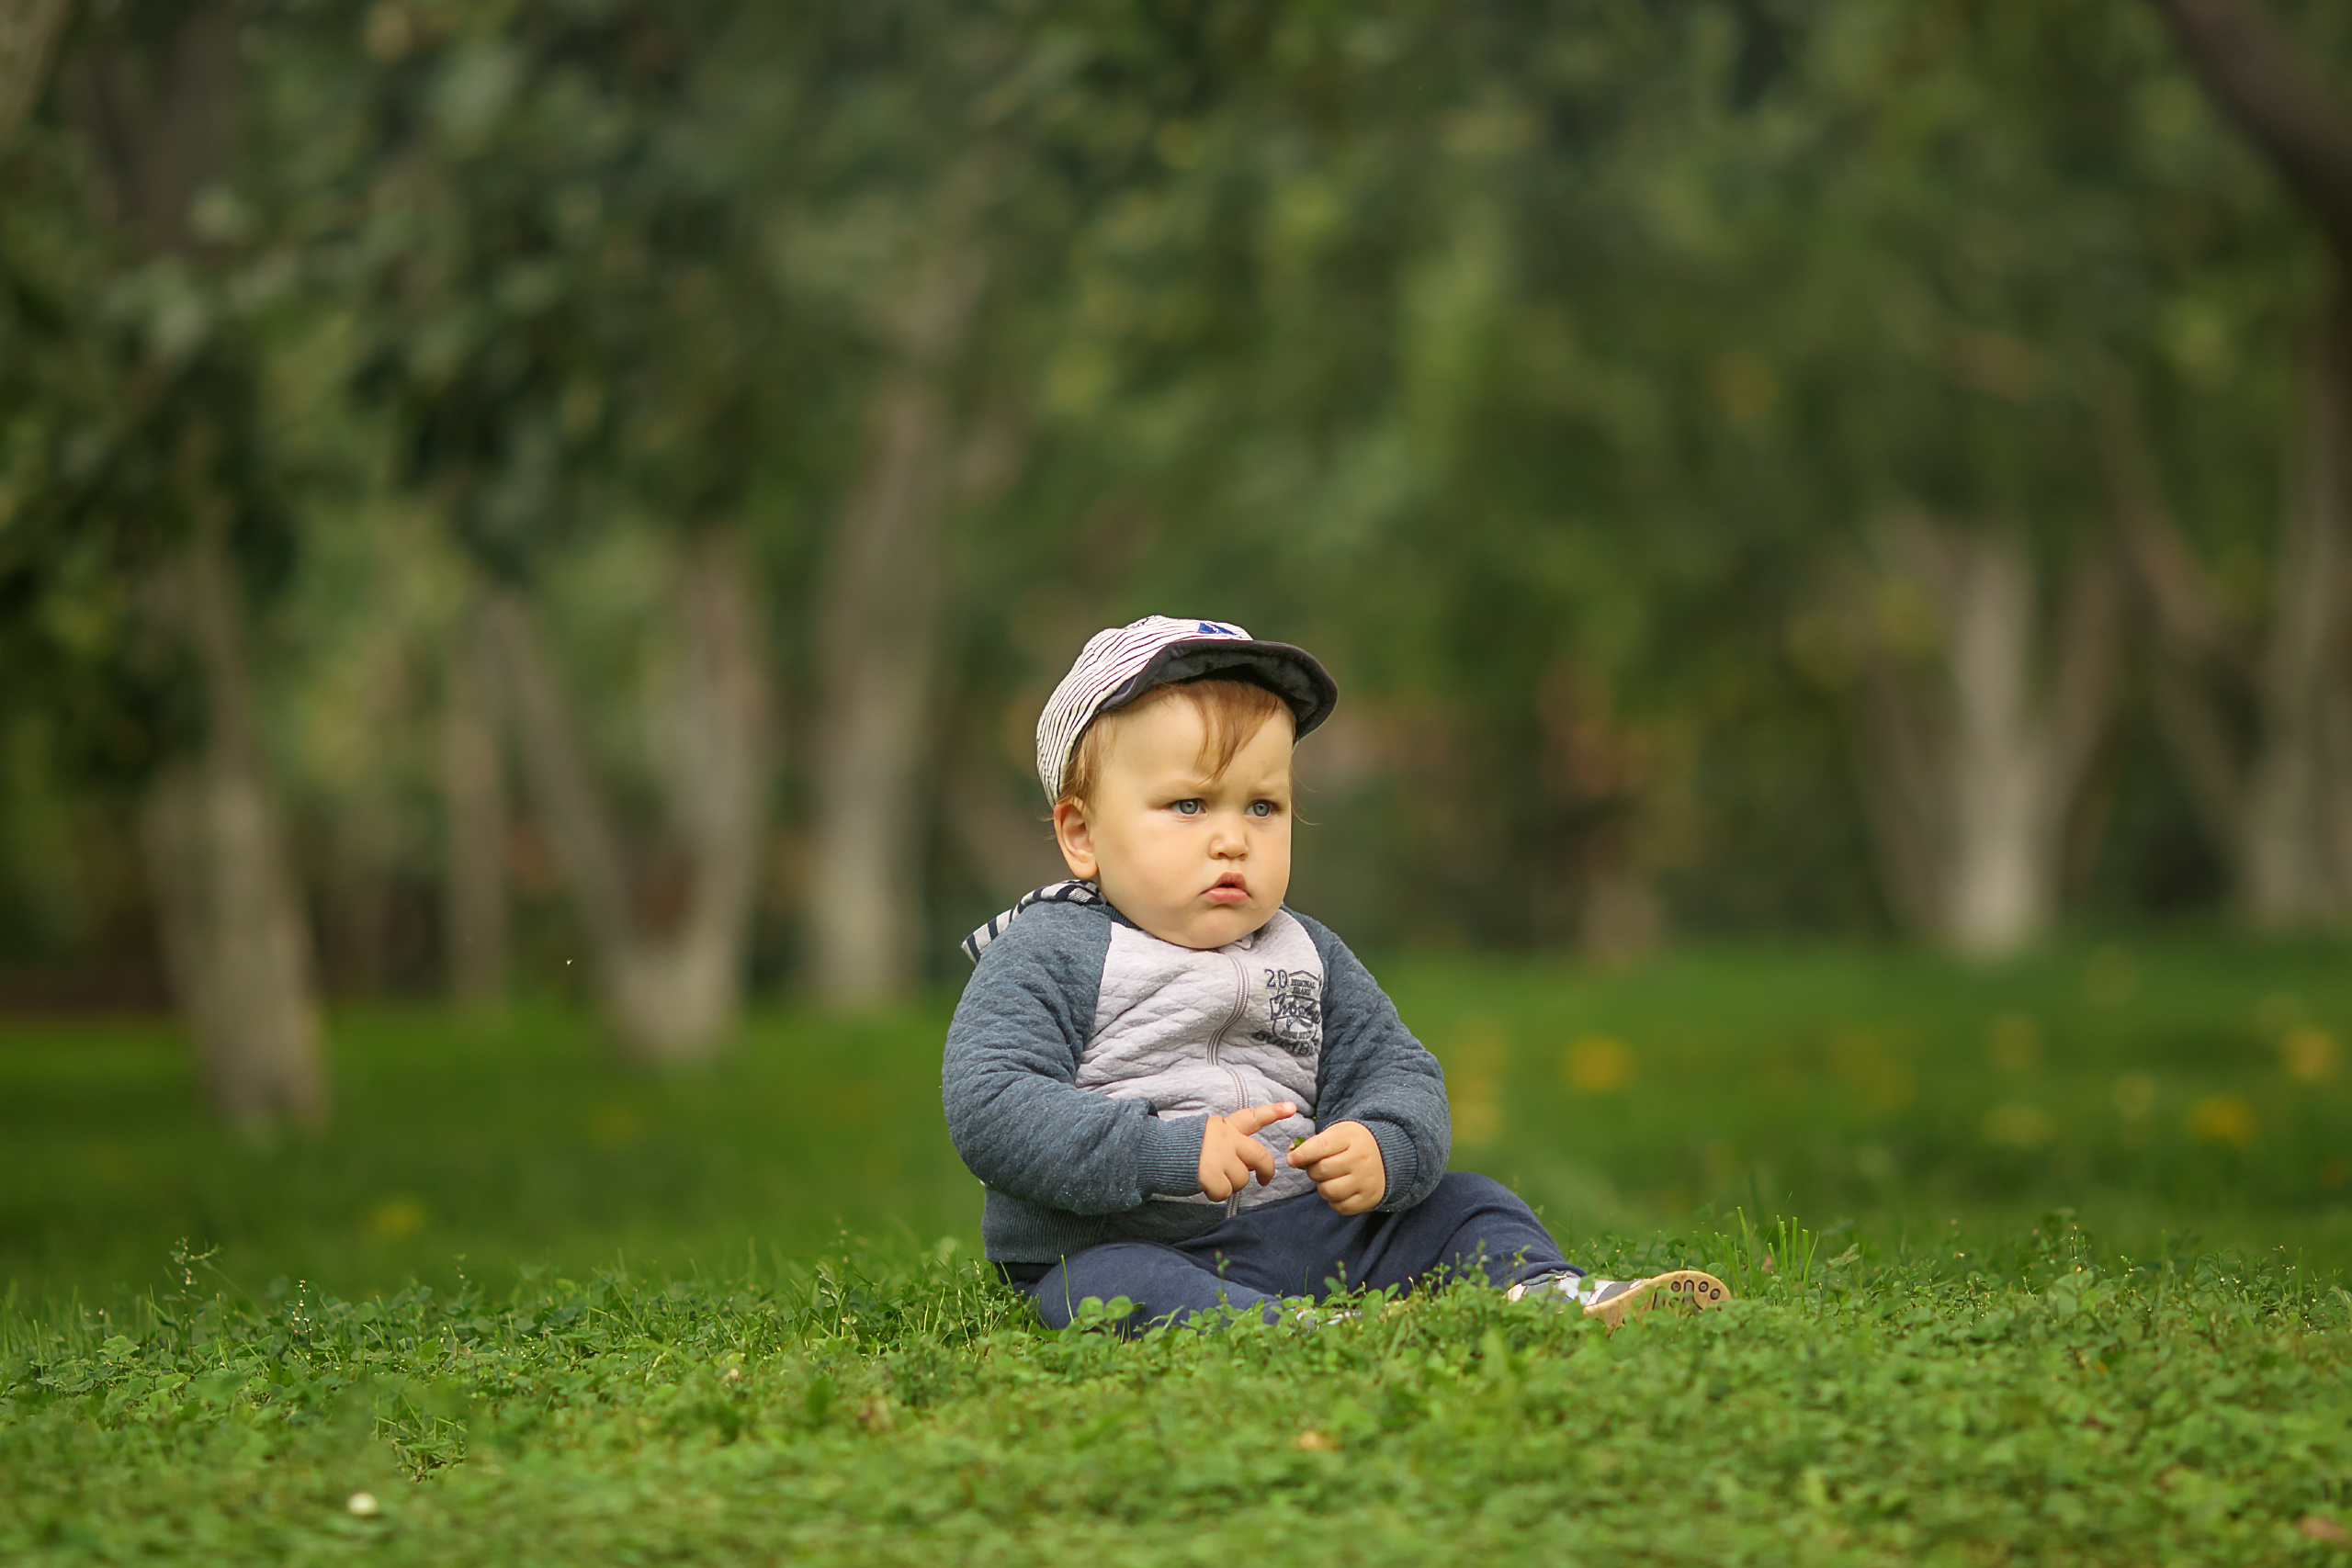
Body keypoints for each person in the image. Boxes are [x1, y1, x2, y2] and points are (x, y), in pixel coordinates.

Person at [942, 615, 1729, 1332]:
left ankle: (1546, 1294)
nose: (1233, 840)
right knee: (1110, 1287)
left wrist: (1384, 1143)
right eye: (1188, 805)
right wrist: (1163, 1152)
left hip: (1302, 1227)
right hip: (1125, 1242)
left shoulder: (1305, 951)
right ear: (1081, 833)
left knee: (1466, 1200)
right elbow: (992, 1101)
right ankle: (1288, 1333)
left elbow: (1396, 1065)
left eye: (1262, 807)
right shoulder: (1050, 948)